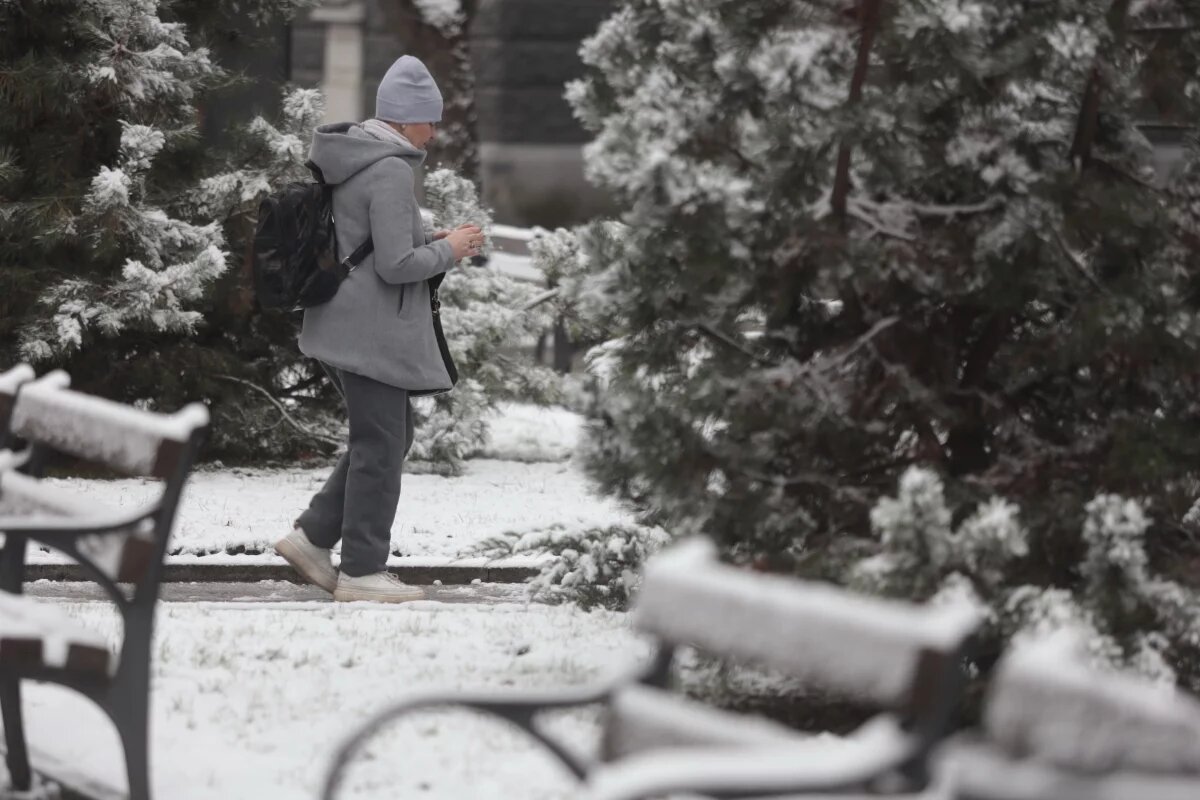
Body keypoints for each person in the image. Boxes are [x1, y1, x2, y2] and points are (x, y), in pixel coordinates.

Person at [274, 55, 483, 603]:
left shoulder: (358, 155)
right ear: (406, 117)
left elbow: (369, 242)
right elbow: (395, 267)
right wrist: (451, 251)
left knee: (388, 438)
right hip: (369, 333)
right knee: (381, 446)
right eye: (429, 121)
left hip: (342, 324)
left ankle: (313, 538)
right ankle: (362, 570)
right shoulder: (390, 168)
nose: (433, 133)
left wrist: (434, 237)